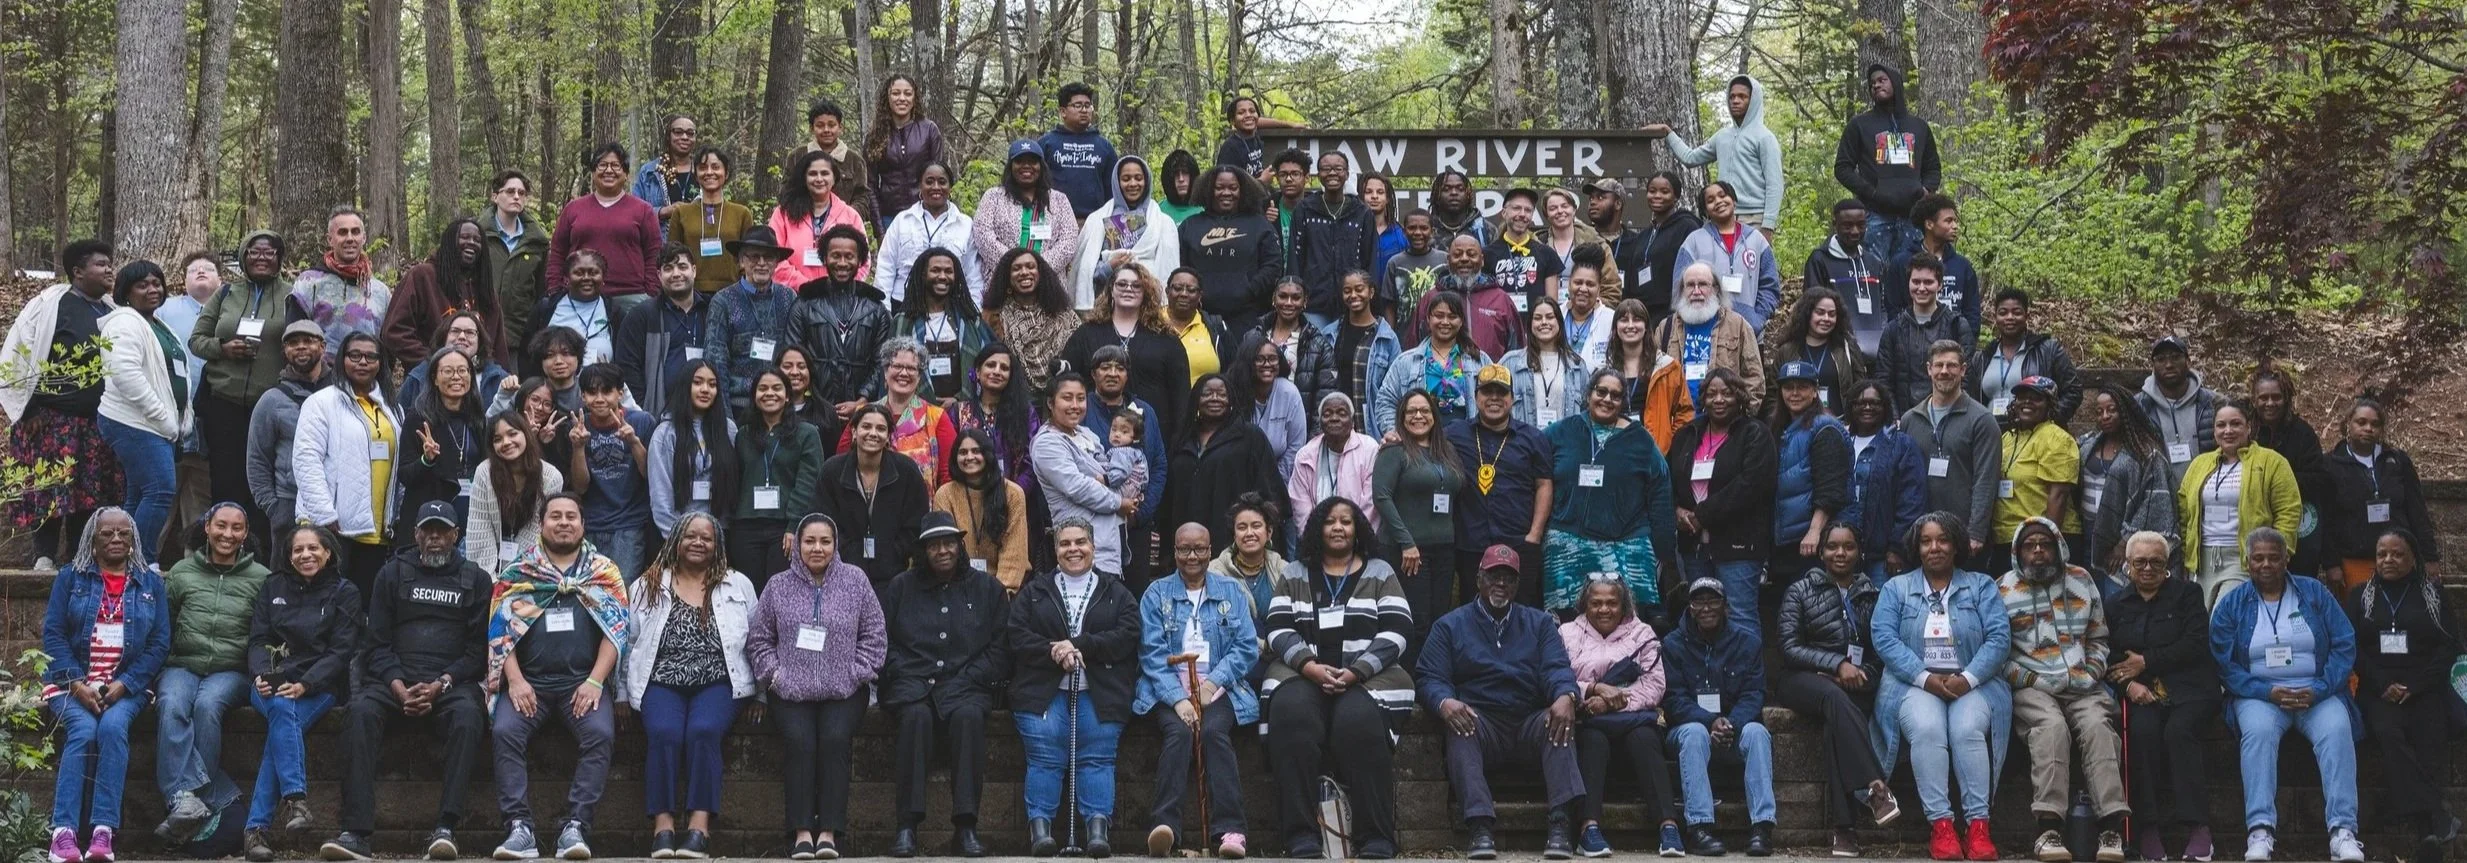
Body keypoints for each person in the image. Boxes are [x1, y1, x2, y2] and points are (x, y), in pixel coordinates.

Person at [324, 503, 490, 862]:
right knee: (359, 713)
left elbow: (478, 653)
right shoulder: (392, 573)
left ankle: (446, 828)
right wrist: (398, 686)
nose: (434, 538)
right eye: (427, 530)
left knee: (469, 718)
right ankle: (355, 833)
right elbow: (376, 643)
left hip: (450, 683)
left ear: (455, 536)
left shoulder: (476, 579)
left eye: (442, 531)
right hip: (394, 679)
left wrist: (441, 685)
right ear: (415, 534)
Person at [1261, 498, 1412, 859]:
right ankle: (1301, 836)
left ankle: (1375, 837)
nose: (1339, 527)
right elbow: (1278, 626)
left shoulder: (1379, 572)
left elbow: (1398, 628)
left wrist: (1357, 671)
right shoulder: (1295, 572)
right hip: (1302, 674)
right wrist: (1309, 666)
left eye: (1346, 521)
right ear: (1317, 528)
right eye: (1330, 521)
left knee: (1358, 722)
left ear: (1358, 527)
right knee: (1292, 716)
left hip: (1367, 678)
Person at [485, 494, 631, 861]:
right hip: (528, 683)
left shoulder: (604, 572)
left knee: (600, 734)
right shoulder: (518, 572)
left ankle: (576, 827)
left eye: (571, 517)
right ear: (543, 523)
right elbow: (500, 632)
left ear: (583, 525)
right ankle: (519, 829)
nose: (563, 522)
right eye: (555, 517)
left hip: (580, 684)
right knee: (504, 732)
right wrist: (515, 681)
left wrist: (596, 681)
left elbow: (617, 631)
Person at [2207, 528, 2365, 863]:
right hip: (2259, 696)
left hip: (2316, 691)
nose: (2266, 564)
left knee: (2337, 730)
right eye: (2258, 558)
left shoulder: (2313, 592)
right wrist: (2266, 691)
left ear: (2286, 559)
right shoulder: (2232, 604)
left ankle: (2343, 831)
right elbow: (2223, 663)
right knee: (2259, 734)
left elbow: (2343, 643)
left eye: (2274, 557)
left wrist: (2320, 688)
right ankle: (2260, 830)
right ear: (2247, 562)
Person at [1418, 547, 1585, 859]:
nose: (1501, 583)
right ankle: (1480, 827)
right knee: (1461, 727)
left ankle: (1561, 824)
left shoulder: (1539, 624)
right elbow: (1429, 675)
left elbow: (1556, 667)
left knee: (1559, 720)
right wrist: (1444, 702)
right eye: (1494, 575)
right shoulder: (1449, 625)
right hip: (1482, 721)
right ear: (1479, 578)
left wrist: (1566, 695)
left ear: (1517, 585)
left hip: (1528, 719)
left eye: (1508, 578)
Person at [1871, 513, 2011, 863]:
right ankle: (1943, 827)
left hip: (1973, 682)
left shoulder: (1981, 586)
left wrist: (1968, 678)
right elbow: (1884, 638)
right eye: (1926, 541)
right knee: (1928, 728)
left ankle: (1979, 827)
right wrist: (1925, 678)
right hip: (1913, 683)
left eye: (1943, 539)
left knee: (1966, 730)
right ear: (1916, 548)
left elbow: (1999, 638)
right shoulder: (1896, 588)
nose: (1935, 547)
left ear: (1957, 545)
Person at [745, 513, 885, 860]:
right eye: (809, 541)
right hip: (791, 689)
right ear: (797, 545)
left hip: (845, 689)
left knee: (835, 739)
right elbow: (759, 641)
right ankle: (802, 831)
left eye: (825, 541)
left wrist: (857, 671)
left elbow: (875, 634)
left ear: (836, 545)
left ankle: (830, 832)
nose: (817, 548)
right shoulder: (777, 585)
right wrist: (775, 676)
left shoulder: (856, 581)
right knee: (800, 741)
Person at [625, 503, 753, 860]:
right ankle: (663, 827)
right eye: (691, 536)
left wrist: (761, 696)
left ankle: (699, 829)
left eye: (706, 538)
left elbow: (757, 639)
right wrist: (621, 693)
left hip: (718, 681)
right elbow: (628, 642)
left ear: (717, 544)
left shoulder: (737, 583)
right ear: (676, 541)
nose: (698, 542)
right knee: (664, 733)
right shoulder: (647, 584)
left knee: (703, 731)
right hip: (661, 680)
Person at [1997, 517, 2128, 863]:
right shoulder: (2003, 589)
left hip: (2083, 684)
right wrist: (2033, 681)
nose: (2038, 551)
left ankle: (2111, 827)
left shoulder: (2082, 580)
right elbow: (1998, 655)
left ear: (2057, 547)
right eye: (2030, 545)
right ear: (2018, 551)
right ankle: (2048, 829)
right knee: (2051, 729)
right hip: (2032, 685)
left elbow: (2099, 638)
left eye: (2045, 543)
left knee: (2099, 728)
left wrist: (2092, 671)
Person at [39, 509, 166, 863]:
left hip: (125, 687)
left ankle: (102, 834)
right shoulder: (71, 578)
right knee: (82, 730)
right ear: (92, 540)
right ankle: (62, 834)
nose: (115, 539)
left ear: (134, 539)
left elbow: (159, 644)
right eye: (107, 533)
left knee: (111, 728)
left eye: (123, 534)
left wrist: (125, 685)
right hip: (71, 685)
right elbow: (53, 635)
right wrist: (77, 684)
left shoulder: (150, 584)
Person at [878, 512, 1007, 857]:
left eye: (949, 542)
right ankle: (906, 827)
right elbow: (883, 644)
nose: (943, 551)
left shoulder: (987, 588)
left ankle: (966, 827)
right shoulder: (901, 587)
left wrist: (969, 678)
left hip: (967, 685)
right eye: (934, 545)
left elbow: (999, 649)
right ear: (923, 550)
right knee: (915, 719)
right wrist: (906, 673)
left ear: (960, 545)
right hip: (912, 686)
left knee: (968, 719)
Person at [1010, 517, 1141, 857]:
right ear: (1055, 551)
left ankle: (1097, 832)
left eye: (1080, 542)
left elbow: (1128, 634)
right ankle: (1040, 832)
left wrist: (1081, 645)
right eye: (1065, 544)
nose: (1074, 549)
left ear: (1093, 548)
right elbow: (1017, 636)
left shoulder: (1116, 592)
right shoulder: (1035, 591)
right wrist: (1053, 650)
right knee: (1044, 756)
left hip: (1099, 692)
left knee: (1097, 758)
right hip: (1043, 693)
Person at [1774, 523, 1901, 856]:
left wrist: (1862, 675)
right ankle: (1876, 786)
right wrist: (1835, 665)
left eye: (1848, 547)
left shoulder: (1873, 594)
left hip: (1851, 684)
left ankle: (1844, 832)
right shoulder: (1800, 590)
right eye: (1832, 546)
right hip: (1802, 679)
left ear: (1859, 552)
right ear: (1821, 552)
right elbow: (1788, 647)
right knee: (1833, 696)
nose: (1840, 553)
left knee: (1836, 721)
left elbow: (1881, 651)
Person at [1136, 523, 1262, 859]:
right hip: (1168, 689)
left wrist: (1211, 684)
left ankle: (1231, 831)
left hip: (1220, 689)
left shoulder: (1231, 591)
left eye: (1200, 549)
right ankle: (1164, 827)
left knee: (1213, 732)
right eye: (1184, 549)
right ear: (1174, 551)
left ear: (1211, 550)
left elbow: (1247, 647)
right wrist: (1179, 699)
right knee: (1178, 734)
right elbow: (1151, 653)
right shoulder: (1156, 594)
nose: (1192, 556)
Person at [242, 523, 363, 861]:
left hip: (318, 687)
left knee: (282, 720)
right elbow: (257, 638)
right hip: (269, 683)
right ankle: (294, 802)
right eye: (298, 549)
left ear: (328, 553)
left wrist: (307, 683)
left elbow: (341, 652)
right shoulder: (272, 586)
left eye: (313, 548)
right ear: (288, 555)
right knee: (281, 710)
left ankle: (257, 831)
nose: (305, 555)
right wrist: (259, 674)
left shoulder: (345, 591)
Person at [2344, 529, 2463, 861]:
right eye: (2382, 554)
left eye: (2397, 554)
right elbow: (2351, 648)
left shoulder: (2433, 596)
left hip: (2424, 687)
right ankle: (2435, 819)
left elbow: (2449, 646)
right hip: (2378, 689)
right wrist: (2383, 683)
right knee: (2388, 732)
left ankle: (2426, 829)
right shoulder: (2359, 597)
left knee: (2430, 732)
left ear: (2413, 559)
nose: (2388, 560)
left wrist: (2418, 686)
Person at [150, 504, 265, 845]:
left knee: (207, 705)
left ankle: (191, 794)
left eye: (237, 528)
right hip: (182, 664)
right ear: (206, 528)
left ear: (246, 534)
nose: (228, 534)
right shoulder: (183, 572)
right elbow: (163, 627)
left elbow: (264, 633)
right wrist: (153, 675)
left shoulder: (261, 577)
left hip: (231, 671)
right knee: (171, 703)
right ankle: (187, 800)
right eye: (221, 526)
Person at [2103, 530, 2218, 863]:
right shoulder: (2115, 604)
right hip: (2141, 693)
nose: (2148, 568)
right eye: (2140, 562)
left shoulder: (2188, 595)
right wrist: (2129, 686)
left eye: (2156, 562)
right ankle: (2148, 829)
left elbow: (2196, 643)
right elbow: (2109, 655)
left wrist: (2147, 660)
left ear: (2168, 564)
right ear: (2127, 565)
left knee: (2179, 732)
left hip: (2190, 689)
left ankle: (2198, 828)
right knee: (2142, 733)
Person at [1557, 577, 1683, 857]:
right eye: (1596, 603)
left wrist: (1611, 704)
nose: (1604, 609)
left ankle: (1668, 826)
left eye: (1612, 603)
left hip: (1632, 718)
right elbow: (1557, 675)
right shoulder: (1566, 633)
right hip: (1588, 720)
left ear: (1623, 605)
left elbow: (1654, 686)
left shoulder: (1642, 633)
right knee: (1593, 741)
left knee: (1645, 738)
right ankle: (1588, 829)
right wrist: (1591, 690)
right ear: (1584, 606)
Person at [1662, 576, 1778, 856]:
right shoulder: (1672, 644)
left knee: (1758, 733)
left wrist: (1732, 723)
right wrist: (1708, 720)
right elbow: (1673, 699)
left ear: (1726, 605)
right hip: (1689, 732)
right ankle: (1700, 827)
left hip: (1734, 727)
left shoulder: (1747, 642)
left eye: (1713, 600)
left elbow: (1754, 693)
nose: (1706, 607)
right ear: (1689, 607)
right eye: (1698, 601)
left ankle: (1762, 827)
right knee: (1694, 732)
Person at [188, 233, 291, 532]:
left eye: (269, 252)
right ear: (244, 257)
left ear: (279, 258)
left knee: (263, 480)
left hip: (269, 406)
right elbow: (197, 340)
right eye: (254, 252)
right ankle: (224, 545)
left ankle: (260, 551)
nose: (261, 258)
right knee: (226, 479)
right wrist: (223, 348)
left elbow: (302, 342)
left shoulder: (291, 295)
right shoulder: (225, 294)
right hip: (224, 404)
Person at [1664, 368, 1773, 636]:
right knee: (1698, 617)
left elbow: (1750, 485)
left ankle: (1746, 679)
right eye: (1711, 394)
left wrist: (1702, 515)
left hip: (1738, 545)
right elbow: (1668, 480)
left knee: (1740, 617)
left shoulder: (1755, 433)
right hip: (1693, 546)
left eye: (1726, 393)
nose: (1719, 399)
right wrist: (1677, 510)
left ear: (1739, 397)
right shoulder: (1688, 435)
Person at [294, 331, 401, 599]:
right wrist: (324, 515)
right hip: (334, 526)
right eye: (355, 355)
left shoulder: (392, 408)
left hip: (376, 529)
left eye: (371, 356)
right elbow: (307, 460)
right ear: (342, 360)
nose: (362, 362)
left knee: (361, 607)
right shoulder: (321, 402)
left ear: (380, 363)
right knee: (325, 602)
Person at [96, 261, 192, 562]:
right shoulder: (124, 322)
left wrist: (179, 418)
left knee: (138, 495)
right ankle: (143, 559)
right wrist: (164, 418)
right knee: (161, 490)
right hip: (134, 422)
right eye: (143, 285)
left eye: (157, 283)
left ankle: (120, 560)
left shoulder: (156, 324)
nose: (153, 289)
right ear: (125, 291)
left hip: (153, 424)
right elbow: (124, 374)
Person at [1447, 366, 1554, 607]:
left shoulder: (1533, 438)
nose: (1494, 398)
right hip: (1470, 543)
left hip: (1518, 542)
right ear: (1475, 397)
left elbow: (1544, 485)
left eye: (1501, 392)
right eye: (1487, 392)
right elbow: (1423, 442)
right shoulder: (1455, 433)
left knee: (1521, 610)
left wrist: (1534, 536)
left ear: (1512, 399)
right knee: (1472, 610)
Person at [1373, 389, 1467, 658]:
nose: (1418, 416)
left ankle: (1433, 678)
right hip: (1409, 551)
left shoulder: (1446, 451)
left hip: (1444, 548)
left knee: (1440, 618)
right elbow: (1381, 496)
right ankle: (1410, 681)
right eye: (1411, 411)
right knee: (1417, 620)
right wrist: (1407, 543)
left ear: (1435, 416)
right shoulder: (1394, 450)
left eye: (1424, 410)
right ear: (1401, 417)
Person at [2179, 402, 2302, 606]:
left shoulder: (2272, 462)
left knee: (2222, 615)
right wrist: (2185, 553)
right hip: (2202, 561)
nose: (2228, 431)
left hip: (2244, 559)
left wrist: (2280, 553)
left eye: (2235, 424)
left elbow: (2288, 511)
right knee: (2200, 622)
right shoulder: (2199, 464)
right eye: (2221, 425)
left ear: (2248, 427)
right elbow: (2184, 512)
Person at [2321, 397, 2440, 594]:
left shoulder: (2397, 461)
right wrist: (2331, 563)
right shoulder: (2331, 465)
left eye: (2375, 424)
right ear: (2348, 425)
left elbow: (2418, 511)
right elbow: (2326, 518)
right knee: (2360, 619)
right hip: (2354, 561)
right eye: (2361, 422)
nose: (2368, 428)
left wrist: (2430, 557)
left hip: (2399, 560)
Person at [1061, 260, 1191, 436]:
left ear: (1146, 292)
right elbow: (1067, 382)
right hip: (1094, 434)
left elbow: (1181, 396)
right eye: (1122, 284)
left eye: (1136, 286)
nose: (1129, 289)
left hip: (1153, 434)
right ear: (1111, 290)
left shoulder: (1166, 338)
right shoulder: (1086, 333)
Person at [1163, 374, 1289, 555]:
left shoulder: (1249, 437)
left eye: (1221, 394)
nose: (1214, 398)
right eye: (1207, 394)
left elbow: (1270, 489)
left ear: (1231, 400)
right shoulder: (1182, 439)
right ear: (1196, 400)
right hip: (1187, 544)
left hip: (1232, 541)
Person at [1833, 63, 1940, 272]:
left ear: (1895, 83)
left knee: (1910, 274)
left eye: (1881, 80)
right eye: (1872, 83)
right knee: (1874, 274)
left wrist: (1925, 191)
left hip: (1912, 217)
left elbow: (1933, 167)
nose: (1875, 85)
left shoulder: (1918, 127)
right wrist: (1871, 193)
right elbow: (1842, 168)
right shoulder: (1860, 125)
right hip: (1875, 216)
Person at [1644, 75, 1784, 231]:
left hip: (1753, 220)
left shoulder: (1765, 138)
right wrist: (1668, 132)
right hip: (1722, 216)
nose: (1735, 101)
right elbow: (1690, 158)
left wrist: (1768, 226)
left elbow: (1775, 184)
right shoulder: (1722, 136)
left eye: (1742, 96)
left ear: (1754, 100)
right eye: (1732, 96)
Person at [1899, 342, 2000, 555]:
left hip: (1963, 537)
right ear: (1929, 369)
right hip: (1920, 536)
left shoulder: (1981, 420)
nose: (1944, 371)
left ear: (1963, 370)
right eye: (1939, 365)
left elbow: (1986, 480)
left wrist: (1976, 532)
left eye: (1952, 366)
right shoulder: (1910, 419)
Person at [728, 369, 823, 587]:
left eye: (776, 388)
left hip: (784, 528)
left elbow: (808, 482)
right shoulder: (744, 434)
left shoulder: (807, 433)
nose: (769, 393)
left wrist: (794, 526)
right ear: (754, 396)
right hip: (746, 527)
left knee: (780, 592)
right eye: (763, 388)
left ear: (788, 395)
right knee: (749, 592)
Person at [816, 404, 930, 584]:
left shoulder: (907, 471)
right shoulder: (832, 471)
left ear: (888, 437)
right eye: (866, 426)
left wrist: (894, 552)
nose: (873, 433)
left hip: (894, 574)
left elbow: (917, 522)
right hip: (841, 572)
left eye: (881, 429)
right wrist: (849, 553)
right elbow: (822, 520)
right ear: (854, 431)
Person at [2076, 382, 2179, 581]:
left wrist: (2124, 543)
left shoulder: (2145, 453)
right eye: (2099, 412)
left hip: (2122, 540)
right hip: (2088, 535)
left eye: (2112, 410)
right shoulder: (2087, 446)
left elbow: (2154, 503)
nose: (2105, 416)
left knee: (2116, 599)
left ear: (2125, 410)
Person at [1033, 373, 1133, 572]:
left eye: (1080, 398)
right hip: (1078, 544)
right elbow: (1077, 486)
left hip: (1108, 542)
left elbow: (1110, 472)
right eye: (1067, 398)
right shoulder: (1047, 442)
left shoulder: (1087, 434)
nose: (1075, 405)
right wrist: (1119, 503)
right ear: (1051, 403)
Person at [565, 364, 657, 577]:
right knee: (589, 593)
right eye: (592, 392)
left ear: (620, 393)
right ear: (582, 396)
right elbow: (580, 486)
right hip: (591, 523)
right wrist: (578, 447)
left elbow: (649, 476)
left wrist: (634, 442)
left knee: (621, 592)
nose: (599, 399)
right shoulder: (578, 426)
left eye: (606, 391)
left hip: (630, 524)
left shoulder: (641, 422)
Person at [787, 226, 893, 409]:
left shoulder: (876, 310)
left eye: (849, 256)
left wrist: (863, 400)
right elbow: (792, 357)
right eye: (835, 256)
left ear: (860, 260)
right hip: (813, 408)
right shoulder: (804, 305)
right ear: (824, 258)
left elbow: (883, 362)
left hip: (864, 411)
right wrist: (813, 399)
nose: (842, 263)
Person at [383, 219, 507, 369]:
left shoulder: (485, 290)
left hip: (478, 383)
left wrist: (499, 379)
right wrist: (435, 362)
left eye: (477, 240)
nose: (471, 243)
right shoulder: (423, 277)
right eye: (465, 237)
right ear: (450, 241)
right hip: (429, 380)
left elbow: (498, 350)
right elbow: (395, 332)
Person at [2244, 365, 2332, 574]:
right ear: (2254, 400)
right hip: (2254, 516)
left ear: (2287, 398)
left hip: (2298, 521)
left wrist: (2278, 484)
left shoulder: (2302, 433)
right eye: (2263, 398)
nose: (2270, 403)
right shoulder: (2247, 432)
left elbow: (2318, 478)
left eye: (2276, 397)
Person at [1769, 361, 1851, 583]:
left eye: (1802, 387)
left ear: (1815, 391)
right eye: (1788, 387)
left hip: (1812, 542)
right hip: (1784, 540)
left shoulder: (1825, 428)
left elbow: (1830, 488)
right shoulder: (1778, 428)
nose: (1794, 393)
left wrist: (1815, 531)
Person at [551, 145, 664, 306]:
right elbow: (557, 251)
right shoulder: (573, 208)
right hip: (579, 296)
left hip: (631, 297)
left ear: (626, 175)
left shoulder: (643, 210)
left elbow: (654, 254)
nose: (609, 170)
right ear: (593, 173)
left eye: (616, 165)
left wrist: (650, 293)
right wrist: (555, 291)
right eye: (602, 165)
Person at [839, 337, 958, 487]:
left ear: (919, 376)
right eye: (897, 366)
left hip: (921, 508)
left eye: (911, 368)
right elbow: (841, 465)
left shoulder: (936, 417)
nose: (903, 373)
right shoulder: (862, 414)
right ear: (885, 371)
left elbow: (949, 476)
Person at [702, 227, 800, 410]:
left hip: (780, 402)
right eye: (754, 256)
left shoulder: (788, 298)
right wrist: (725, 419)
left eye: (768, 257)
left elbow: (797, 354)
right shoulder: (723, 301)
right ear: (741, 261)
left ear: (777, 262)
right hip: (740, 403)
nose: (761, 263)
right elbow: (716, 362)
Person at [246, 323, 328, 539]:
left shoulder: (340, 394)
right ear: (285, 351)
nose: (300, 347)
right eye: (293, 343)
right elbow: (257, 459)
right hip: (288, 502)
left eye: (308, 341)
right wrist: (274, 509)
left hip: (334, 501)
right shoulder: (272, 401)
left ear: (323, 347)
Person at [396, 348, 488, 538]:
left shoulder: (477, 418)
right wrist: (426, 460)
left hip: (471, 515)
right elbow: (405, 474)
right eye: (448, 371)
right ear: (435, 379)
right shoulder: (419, 418)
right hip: (430, 517)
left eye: (463, 370)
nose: (456, 377)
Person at [953, 344, 1046, 530]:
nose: (997, 371)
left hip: (1015, 504)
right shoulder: (958, 412)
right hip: (968, 504)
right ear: (977, 372)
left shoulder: (1025, 413)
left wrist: (1011, 495)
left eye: (1004, 368)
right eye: (991, 365)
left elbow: (1033, 460)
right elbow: (952, 460)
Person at [1991, 377, 2078, 573]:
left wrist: (2048, 542)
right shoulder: (2008, 438)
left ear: (2050, 405)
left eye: (2036, 398)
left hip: (2039, 541)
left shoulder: (2057, 438)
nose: (2027, 402)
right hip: (2007, 537)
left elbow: (2059, 495)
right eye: (2021, 397)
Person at [1842, 380, 1928, 578]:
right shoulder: (1840, 442)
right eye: (1860, 403)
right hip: (1843, 554)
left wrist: (1897, 547)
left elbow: (1912, 501)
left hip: (1883, 557)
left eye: (1875, 403)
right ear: (1851, 407)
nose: (1867, 407)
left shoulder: (1902, 445)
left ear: (1885, 407)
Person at [1070, 156, 1183, 306]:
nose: (1133, 184)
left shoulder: (1164, 223)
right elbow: (1085, 271)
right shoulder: (1096, 220)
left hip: (1150, 307)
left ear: (1147, 180)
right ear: (1117, 182)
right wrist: (1109, 267)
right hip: (1106, 306)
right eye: (1126, 178)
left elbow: (1169, 270)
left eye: (1138, 178)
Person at [1653, 263, 1767, 412]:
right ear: (1682, 290)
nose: (1696, 291)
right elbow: (1652, 378)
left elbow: (1755, 378)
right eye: (1690, 285)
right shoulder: (1665, 328)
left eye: (1703, 285)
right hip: (1677, 425)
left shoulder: (1738, 325)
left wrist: (1741, 419)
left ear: (1715, 289)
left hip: (1724, 425)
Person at [1178, 165, 1284, 323]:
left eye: (1233, 188)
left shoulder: (1259, 225)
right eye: (1219, 188)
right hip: (1199, 316)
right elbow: (1180, 265)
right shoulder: (1190, 226)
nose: (1226, 193)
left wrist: (1250, 290)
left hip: (1248, 315)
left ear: (1242, 190)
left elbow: (1273, 265)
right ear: (1209, 190)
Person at [1377, 290, 1492, 435]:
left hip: (1467, 446)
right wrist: (1395, 433)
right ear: (1428, 318)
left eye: (1452, 317)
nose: (1445, 322)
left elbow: (1495, 400)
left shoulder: (1479, 360)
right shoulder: (1405, 362)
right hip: (1420, 446)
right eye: (1439, 316)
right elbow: (1385, 401)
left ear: (1461, 321)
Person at [465, 411, 566, 576]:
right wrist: (488, 580)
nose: (506, 442)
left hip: (531, 567)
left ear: (526, 434)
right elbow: (479, 529)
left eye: (512, 434)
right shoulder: (484, 472)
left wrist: (513, 578)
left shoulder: (551, 477)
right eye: (497, 439)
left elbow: (537, 530)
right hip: (487, 564)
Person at [615, 244, 711, 417]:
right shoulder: (641, 316)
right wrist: (645, 410)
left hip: (707, 412)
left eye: (682, 267)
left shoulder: (711, 310)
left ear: (694, 270)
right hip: (658, 415)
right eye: (668, 269)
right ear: (659, 275)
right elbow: (627, 367)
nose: (676, 274)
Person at [887, 247, 994, 401]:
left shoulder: (970, 320)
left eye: (948, 271)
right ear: (923, 275)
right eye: (935, 270)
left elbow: (988, 365)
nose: (942, 276)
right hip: (915, 410)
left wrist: (958, 400)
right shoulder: (904, 322)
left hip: (963, 411)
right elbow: (890, 371)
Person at [1672, 182, 1782, 331]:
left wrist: (1758, 318)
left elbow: (1770, 285)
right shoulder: (1693, 241)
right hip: (1705, 332)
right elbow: (1680, 286)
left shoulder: (1756, 240)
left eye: (1723, 195)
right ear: (1705, 211)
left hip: (1750, 331)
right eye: (1710, 200)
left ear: (1734, 200)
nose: (1718, 201)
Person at [646, 360, 737, 539]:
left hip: (719, 536)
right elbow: (660, 495)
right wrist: (678, 538)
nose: (705, 389)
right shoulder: (665, 433)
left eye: (712, 385)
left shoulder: (729, 429)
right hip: (679, 536)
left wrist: (719, 536)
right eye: (697, 382)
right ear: (684, 386)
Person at [1875, 254, 1976, 411]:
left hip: (1948, 415)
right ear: (1908, 283)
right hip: (1904, 419)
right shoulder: (1894, 329)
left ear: (1940, 285)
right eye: (1916, 282)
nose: (1921, 288)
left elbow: (1967, 377)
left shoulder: (1957, 325)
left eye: (1928, 282)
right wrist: (1894, 417)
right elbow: (1884, 379)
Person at [291, 208, 396, 358]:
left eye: (355, 232)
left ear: (364, 238)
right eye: (342, 232)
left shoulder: (381, 292)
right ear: (330, 239)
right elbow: (293, 336)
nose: (350, 238)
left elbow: (388, 346)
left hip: (366, 375)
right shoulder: (308, 283)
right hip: (319, 376)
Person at [877, 166, 984, 309]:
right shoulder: (902, 221)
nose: (936, 187)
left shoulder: (965, 225)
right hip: (903, 305)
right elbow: (886, 266)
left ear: (950, 187)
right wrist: (884, 311)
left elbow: (973, 274)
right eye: (929, 182)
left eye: (942, 182)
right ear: (920, 186)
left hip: (950, 308)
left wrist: (974, 311)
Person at [937, 431, 1032, 591]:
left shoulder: (1013, 493)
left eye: (976, 451)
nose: (969, 457)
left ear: (988, 455)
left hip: (1003, 590)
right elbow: (946, 551)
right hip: (958, 588)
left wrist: (1000, 595)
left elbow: (1014, 554)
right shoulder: (945, 494)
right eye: (963, 452)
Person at [974, 140, 1081, 282]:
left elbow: (1068, 240)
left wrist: (1037, 268)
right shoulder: (993, 197)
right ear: (1010, 166)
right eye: (1019, 161)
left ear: (1041, 166)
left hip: (1049, 283)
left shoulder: (1059, 200)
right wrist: (1017, 267)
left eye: (1032, 161)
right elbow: (983, 236)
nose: (1026, 166)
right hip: (1003, 282)